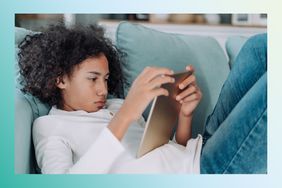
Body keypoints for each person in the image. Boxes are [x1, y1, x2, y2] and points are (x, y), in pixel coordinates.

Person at [18, 24, 266, 174]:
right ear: (59, 79)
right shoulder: (50, 127)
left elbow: (168, 152)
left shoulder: (113, 106)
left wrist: (185, 115)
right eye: (93, 79)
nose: (103, 90)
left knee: (259, 47)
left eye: (105, 79)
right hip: (207, 172)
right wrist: (127, 114)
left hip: (200, 151)